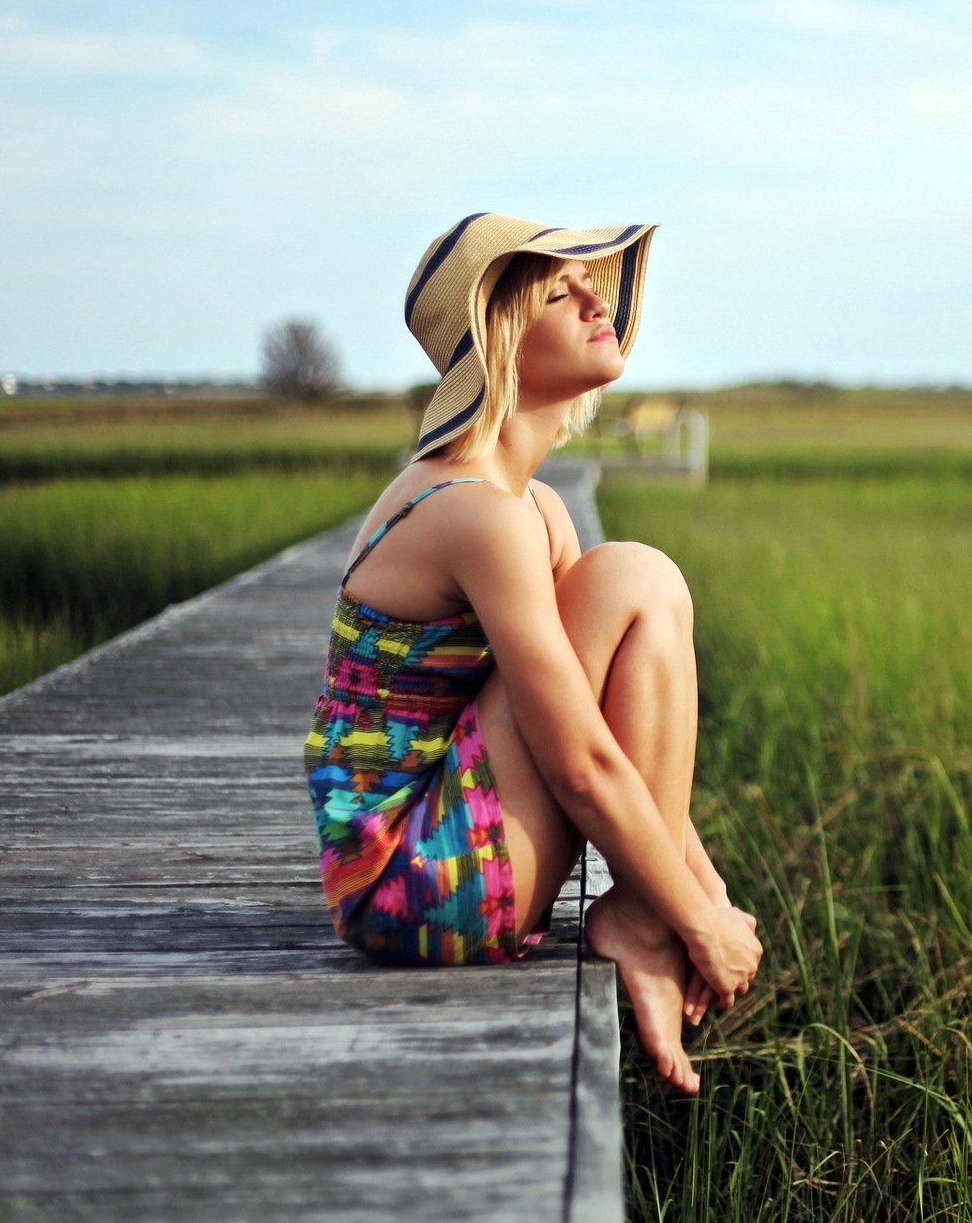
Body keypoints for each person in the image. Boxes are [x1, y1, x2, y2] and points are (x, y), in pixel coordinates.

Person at [303, 212, 761, 1094]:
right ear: (501, 343)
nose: (598, 304)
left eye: (595, 284)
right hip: (404, 883)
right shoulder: (474, 511)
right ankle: (636, 926)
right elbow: (580, 764)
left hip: (442, 859)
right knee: (634, 575)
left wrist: (706, 897)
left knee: (635, 580)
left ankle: (638, 922)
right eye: (562, 292)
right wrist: (696, 921)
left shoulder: (532, 509)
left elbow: (612, 736)